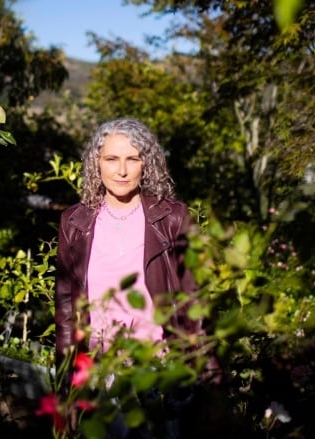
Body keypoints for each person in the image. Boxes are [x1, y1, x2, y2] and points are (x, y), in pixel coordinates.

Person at [54, 117, 217, 438]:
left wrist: (209, 381)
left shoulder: (172, 218)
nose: (122, 170)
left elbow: (196, 300)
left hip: (161, 371)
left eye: (133, 158)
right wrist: (66, 390)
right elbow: (66, 312)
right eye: (111, 159)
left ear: (148, 163)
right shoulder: (74, 222)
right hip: (101, 373)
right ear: (95, 164)